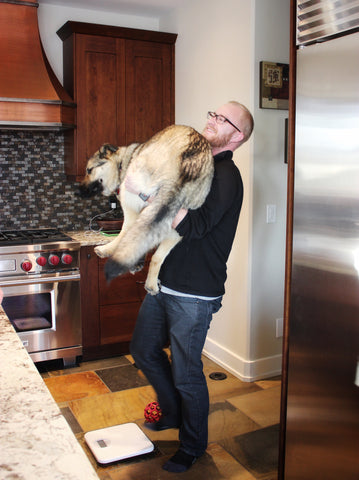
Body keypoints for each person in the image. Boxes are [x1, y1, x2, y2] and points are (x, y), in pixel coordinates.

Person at [130, 101, 254, 473]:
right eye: (212, 113)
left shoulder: (226, 176)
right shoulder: (201, 169)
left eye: (221, 118)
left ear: (237, 134)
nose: (210, 120)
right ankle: (172, 413)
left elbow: (196, 227)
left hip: (195, 294)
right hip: (167, 283)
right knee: (143, 349)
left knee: (186, 372)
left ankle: (193, 445)